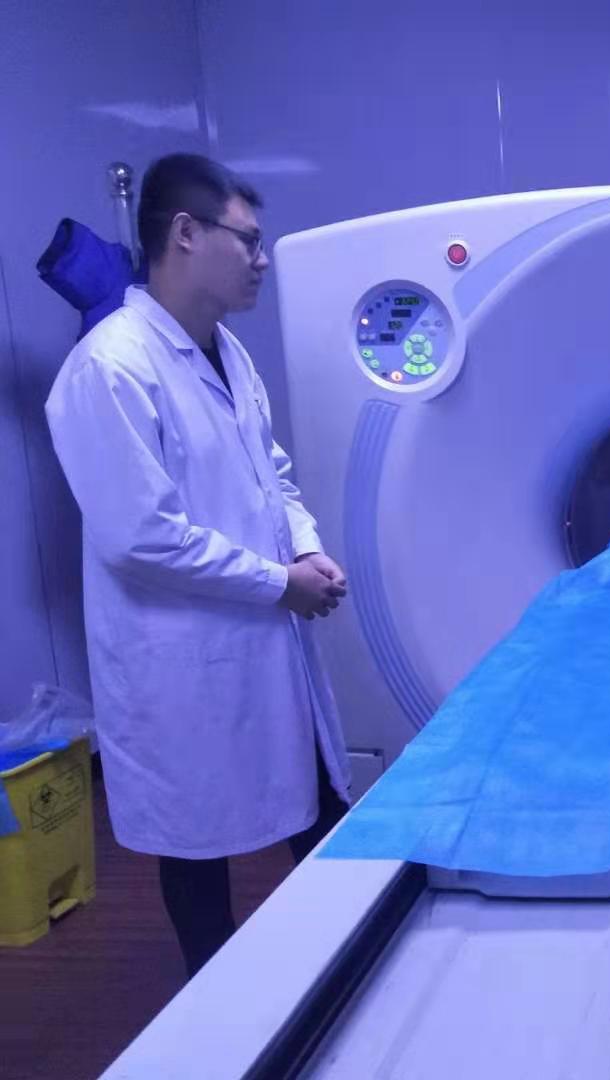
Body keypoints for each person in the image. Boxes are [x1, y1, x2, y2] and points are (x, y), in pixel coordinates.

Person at [45, 153, 353, 979]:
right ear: (185, 233)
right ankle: (214, 1014)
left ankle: (342, 977)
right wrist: (279, 583)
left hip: (261, 640)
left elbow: (270, 473)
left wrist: (304, 544)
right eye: (247, 240)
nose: (262, 259)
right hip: (179, 659)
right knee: (194, 853)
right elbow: (140, 537)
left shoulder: (225, 351)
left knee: (318, 807)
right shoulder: (110, 367)